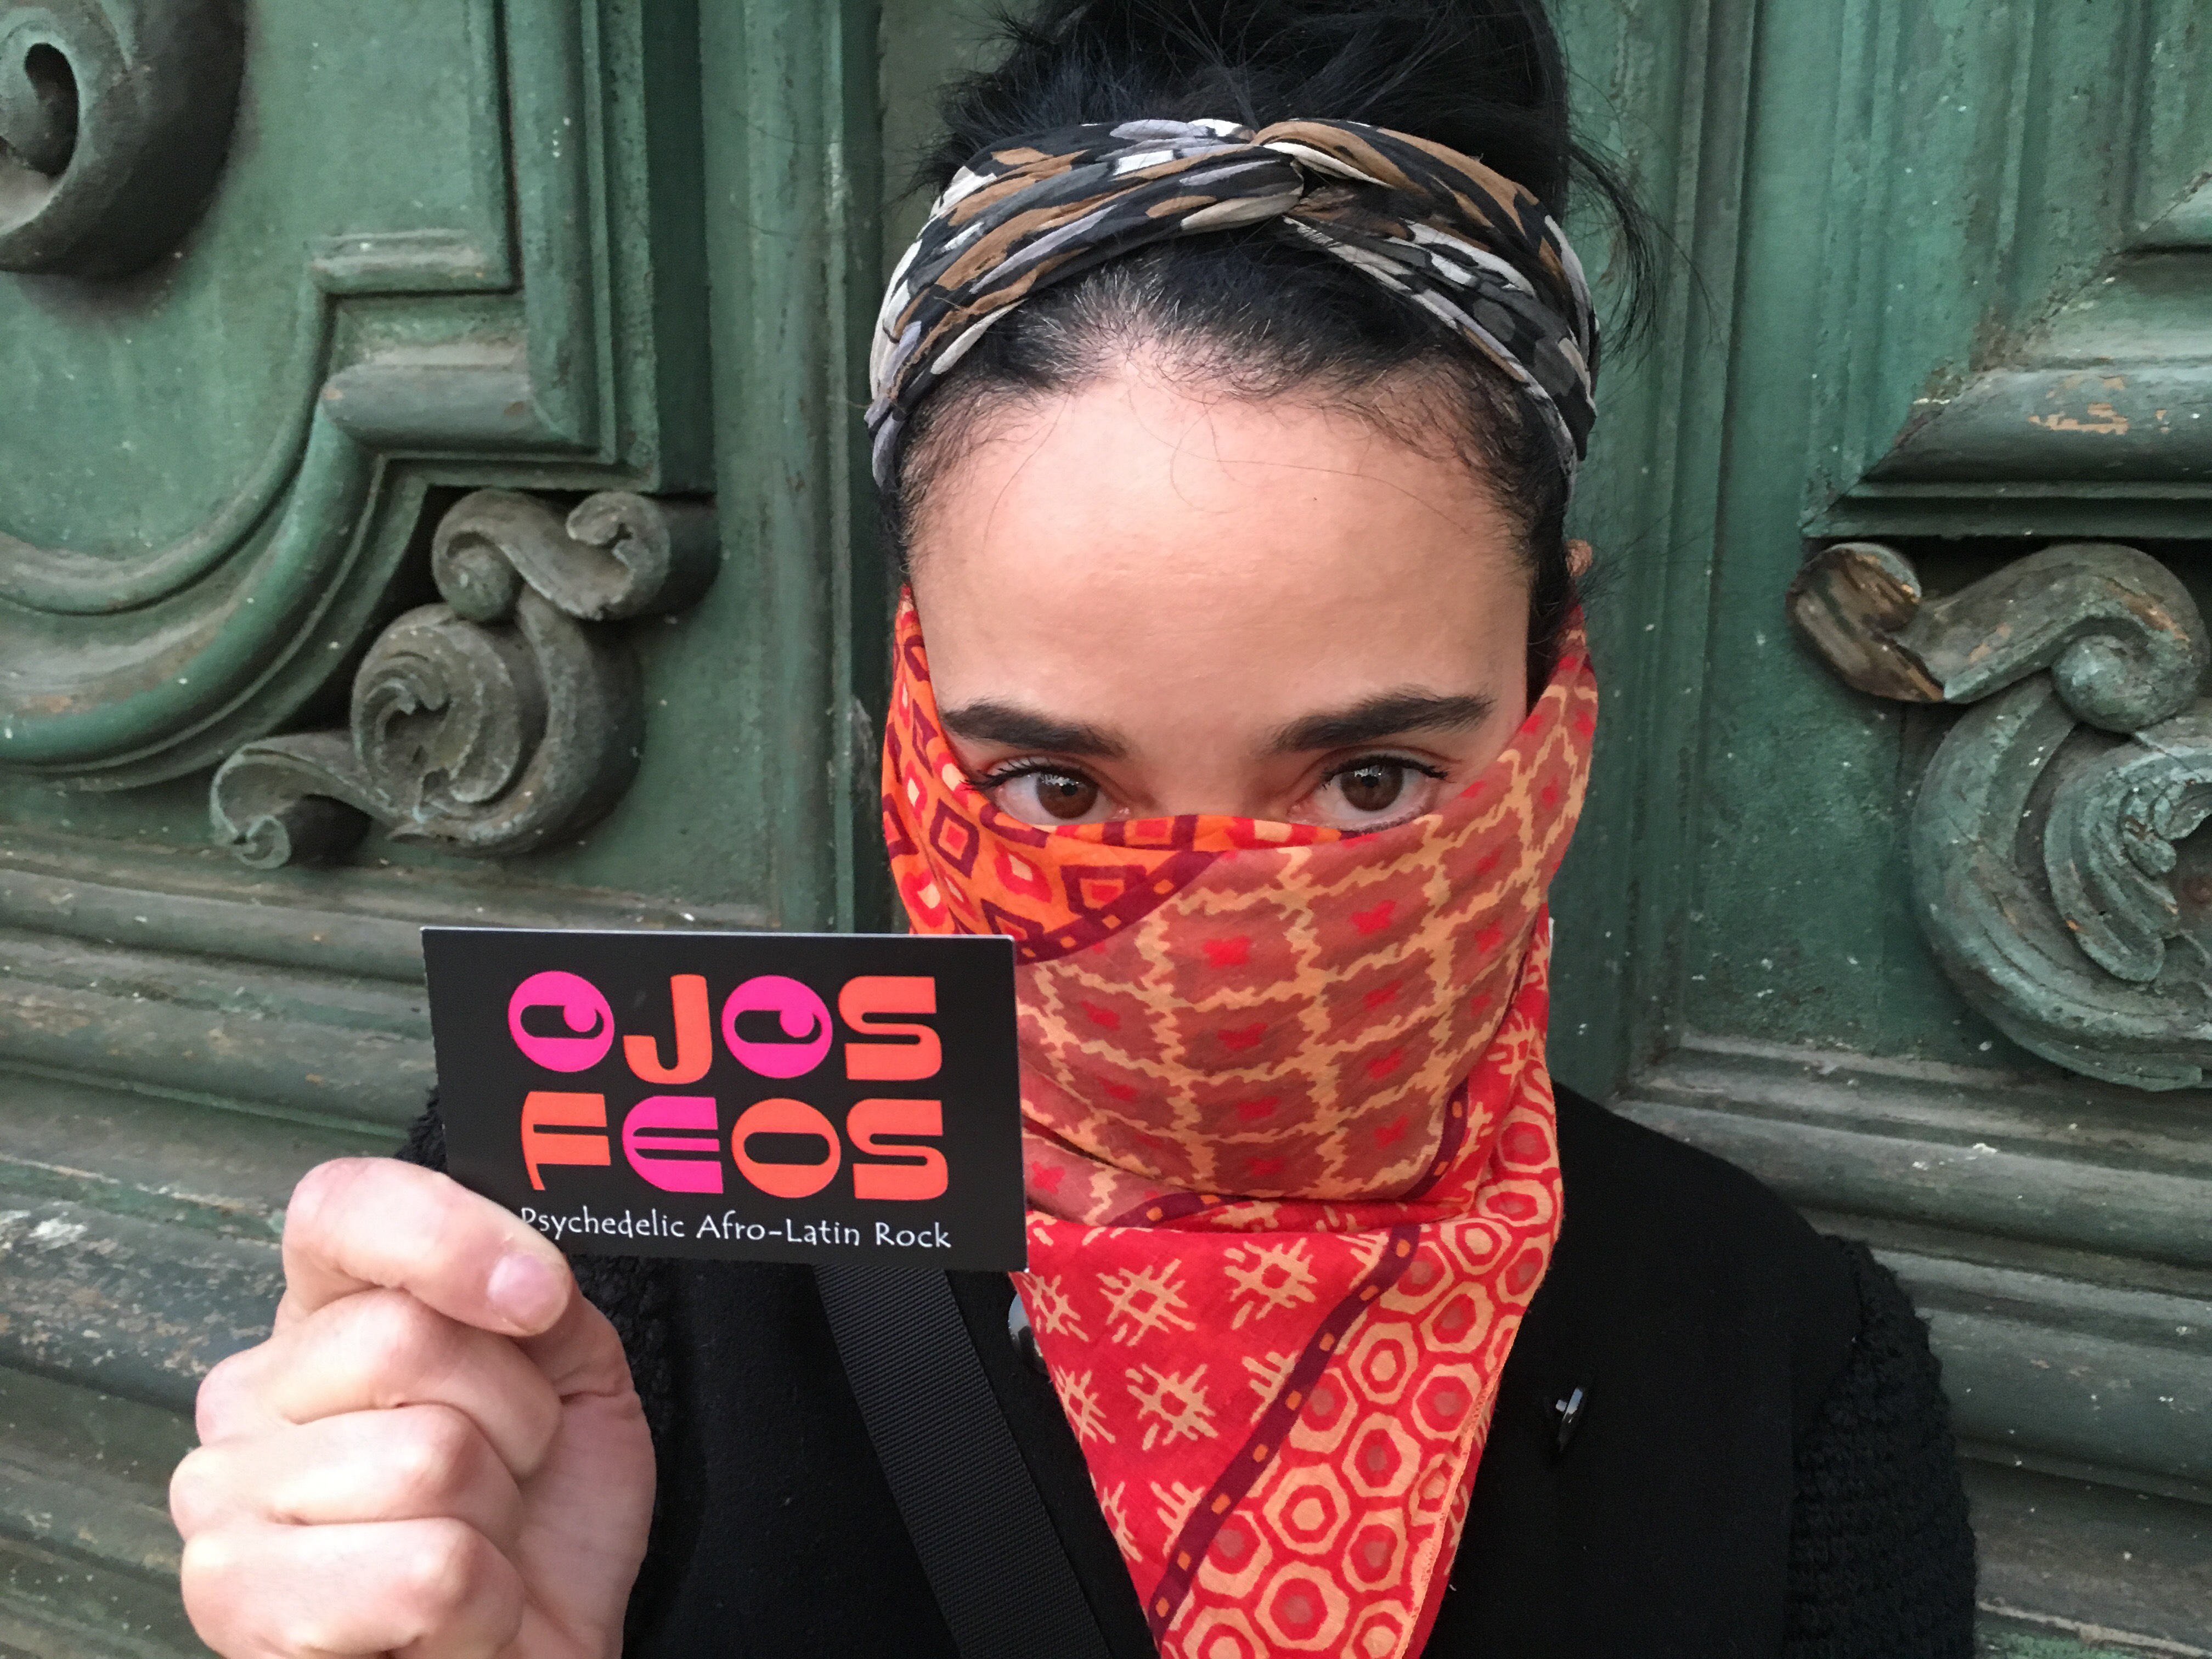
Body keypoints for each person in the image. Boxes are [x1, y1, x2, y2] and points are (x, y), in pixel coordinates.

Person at [169, 2, 1978, 1655]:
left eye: (1371, 782)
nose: (1211, 970)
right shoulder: (608, 1225)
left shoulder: (1781, 1375)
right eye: (1057, 790)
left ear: (1552, 686)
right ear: (917, 701)